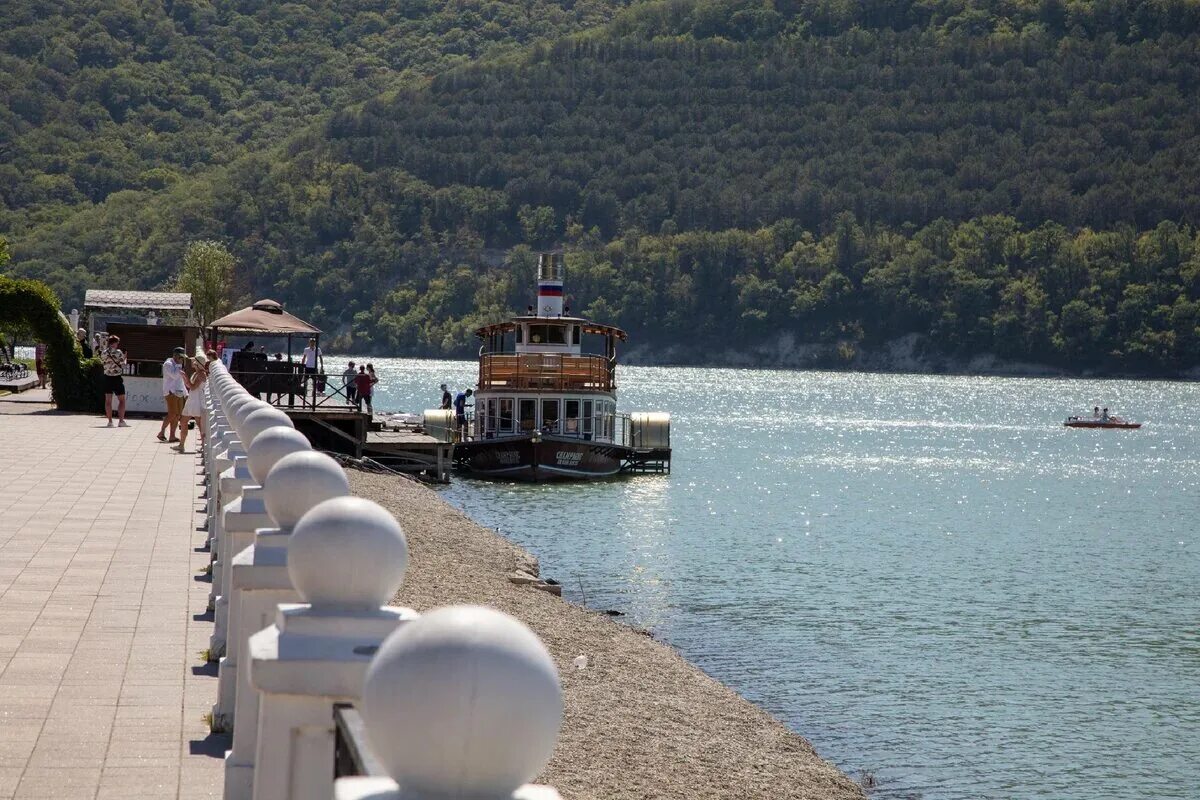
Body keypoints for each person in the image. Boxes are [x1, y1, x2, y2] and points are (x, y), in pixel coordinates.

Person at [176, 357, 209, 453]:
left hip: (197, 401)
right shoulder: (197, 373)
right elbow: (191, 386)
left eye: (195, 361)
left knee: (200, 425)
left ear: (198, 364)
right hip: (192, 400)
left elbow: (193, 387)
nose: (193, 363)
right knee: (183, 421)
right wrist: (185, 378)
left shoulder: (201, 375)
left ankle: (204, 447)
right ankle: (181, 445)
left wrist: (185, 377)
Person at [158, 347, 188, 442]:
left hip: (179, 392)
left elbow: (180, 380)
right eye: (180, 357)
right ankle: (161, 432)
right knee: (172, 413)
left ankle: (172, 436)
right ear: (175, 355)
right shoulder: (168, 364)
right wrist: (179, 365)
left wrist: (185, 392)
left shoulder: (178, 365)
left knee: (177, 415)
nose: (182, 360)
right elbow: (174, 376)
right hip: (171, 392)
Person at [100, 335, 129, 427]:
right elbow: (123, 365)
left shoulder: (104, 353)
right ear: (115, 342)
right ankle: (121, 421)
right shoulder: (118, 352)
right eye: (117, 342)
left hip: (107, 377)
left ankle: (110, 422)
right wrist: (125, 358)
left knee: (108, 400)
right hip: (116, 378)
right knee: (122, 400)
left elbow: (103, 362)